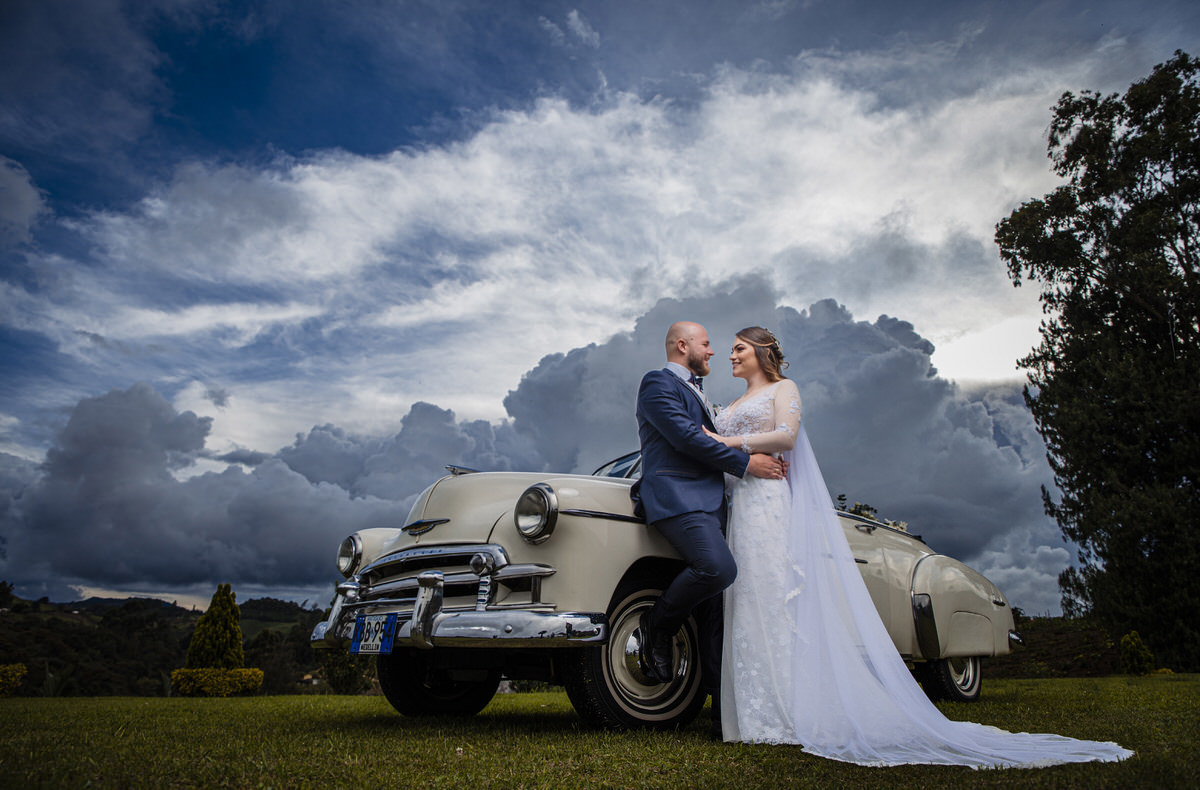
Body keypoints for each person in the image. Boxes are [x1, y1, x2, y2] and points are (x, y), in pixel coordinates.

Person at [704, 326, 1133, 767]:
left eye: (739, 348)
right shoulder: (732, 404)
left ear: (761, 352)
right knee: (748, 600)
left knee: (778, 599)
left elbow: (786, 437)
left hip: (771, 504)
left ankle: (790, 711)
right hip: (740, 509)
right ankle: (755, 715)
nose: (731, 355)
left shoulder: (784, 388)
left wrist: (728, 441)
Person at [632, 321, 785, 736]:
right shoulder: (658, 383)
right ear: (683, 346)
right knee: (718, 569)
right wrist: (746, 463)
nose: (713, 351)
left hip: (716, 505)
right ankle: (657, 624)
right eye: (706, 344)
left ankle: (724, 716)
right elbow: (684, 438)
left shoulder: (699, 390)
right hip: (678, 498)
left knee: (718, 611)